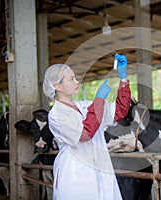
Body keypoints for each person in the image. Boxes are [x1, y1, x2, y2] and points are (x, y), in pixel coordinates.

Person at [42, 54, 131, 200]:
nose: (77, 82)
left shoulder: (84, 106)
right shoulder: (56, 115)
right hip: (75, 172)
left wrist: (123, 79)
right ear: (57, 86)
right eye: (71, 79)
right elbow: (85, 134)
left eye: (75, 77)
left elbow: (120, 112)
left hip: (100, 167)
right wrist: (99, 101)